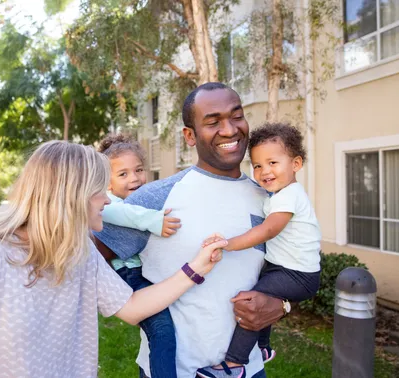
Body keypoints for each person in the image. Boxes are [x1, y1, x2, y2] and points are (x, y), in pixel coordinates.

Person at [0, 141, 227, 378]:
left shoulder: (79, 252)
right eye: (99, 190)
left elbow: (132, 307)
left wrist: (196, 267)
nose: (108, 200)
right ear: (71, 194)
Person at [94, 83, 286, 378]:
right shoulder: (154, 200)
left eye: (237, 116)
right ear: (190, 136)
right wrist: (129, 306)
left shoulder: (272, 201)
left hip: (248, 369)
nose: (229, 129)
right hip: (176, 370)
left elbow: (295, 272)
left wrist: (282, 305)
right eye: (213, 122)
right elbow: (89, 257)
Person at [196, 123, 321, 378]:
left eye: (273, 162)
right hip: (286, 268)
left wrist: (228, 244)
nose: (265, 171)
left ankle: (234, 365)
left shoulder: (288, 196)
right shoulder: (277, 195)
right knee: (260, 295)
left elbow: (267, 230)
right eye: (258, 165)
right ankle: (263, 348)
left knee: (252, 303)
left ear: (296, 164)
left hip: (297, 274)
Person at [98, 134, 182, 378]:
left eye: (138, 170)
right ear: (108, 182)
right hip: (129, 277)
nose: (134, 178)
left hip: (144, 273)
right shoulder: (108, 203)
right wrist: (155, 221)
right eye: (123, 174)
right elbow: (122, 214)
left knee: (166, 329)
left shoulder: (137, 201)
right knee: (162, 330)